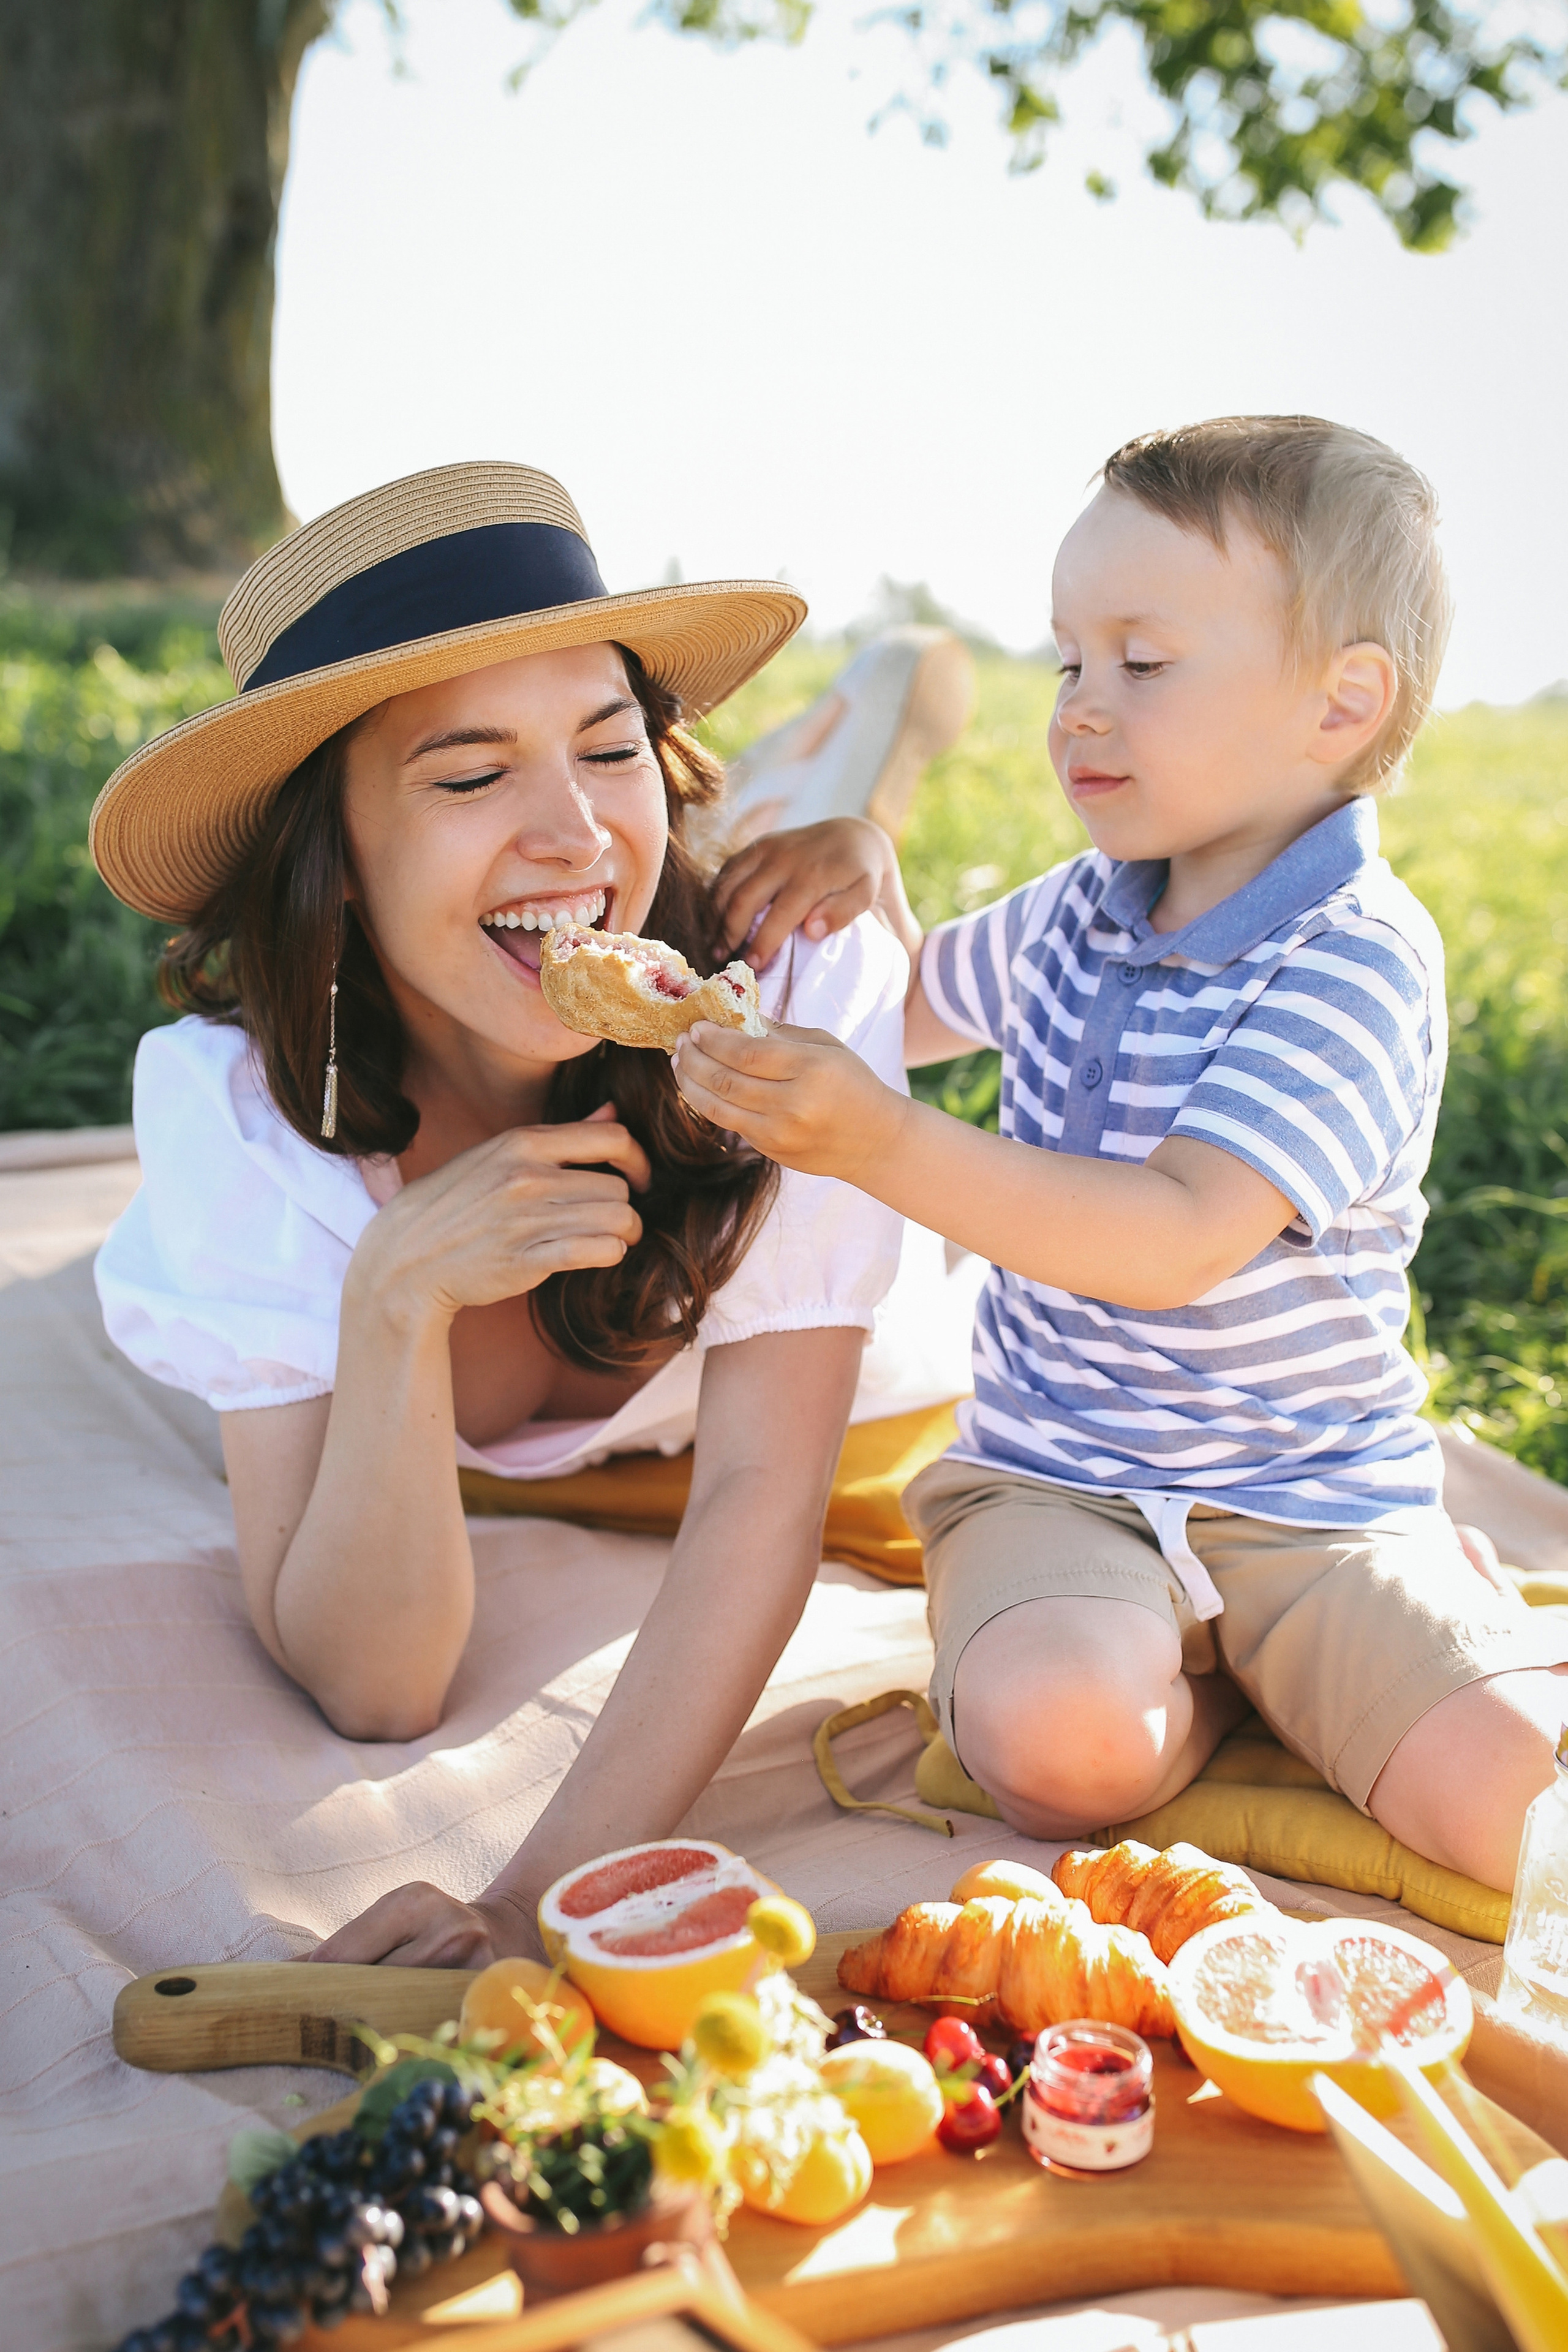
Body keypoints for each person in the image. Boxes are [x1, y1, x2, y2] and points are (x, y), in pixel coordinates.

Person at [90, 459, 970, 1968]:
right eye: (467, 772)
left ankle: (861, 766)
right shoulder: (249, 1119)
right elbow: (376, 1686)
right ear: (339, 859)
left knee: (816, 850)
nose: (572, 835)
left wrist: (531, 1902)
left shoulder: (800, 992)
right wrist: (391, 1299)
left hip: (831, 1340)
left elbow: (761, 1494)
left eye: (609, 746)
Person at [674, 414, 1568, 1895]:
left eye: (1140, 665)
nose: (1079, 708)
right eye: (1066, 660)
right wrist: (866, 871)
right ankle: (1202, 1680)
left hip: (1312, 1501)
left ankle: (1292, 1653)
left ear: (1341, 706)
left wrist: (885, 1146)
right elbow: (896, 1006)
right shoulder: (1073, 908)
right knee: (1060, 1752)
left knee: (1517, 1807)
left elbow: (1169, 1235)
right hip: (1057, 1481)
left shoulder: (1352, 961)